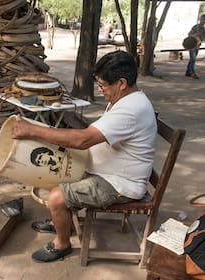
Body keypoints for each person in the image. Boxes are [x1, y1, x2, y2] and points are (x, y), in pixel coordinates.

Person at [12, 50, 157, 262]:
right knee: (55, 174)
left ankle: (62, 244)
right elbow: (92, 135)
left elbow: (83, 140)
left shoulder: (131, 109)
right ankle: (60, 221)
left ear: (122, 83)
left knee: (56, 197)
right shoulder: (126, 99)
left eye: (103, 85)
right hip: (108, 171)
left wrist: (31, 130)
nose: (101, 90)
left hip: (120, 184)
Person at [185, 14, 205, 79]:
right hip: (192, 45)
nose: (203, 21)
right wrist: (196, 34)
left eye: (204, 20)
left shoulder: (203, 29)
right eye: (202, 19)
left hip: (197, 45)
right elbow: (189, 34)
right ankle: (192, 73)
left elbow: (203, 38)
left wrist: (202, 38)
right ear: (200, 19)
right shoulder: (196, 27)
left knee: (192, 59)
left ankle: (188, 72)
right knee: (193, 59)